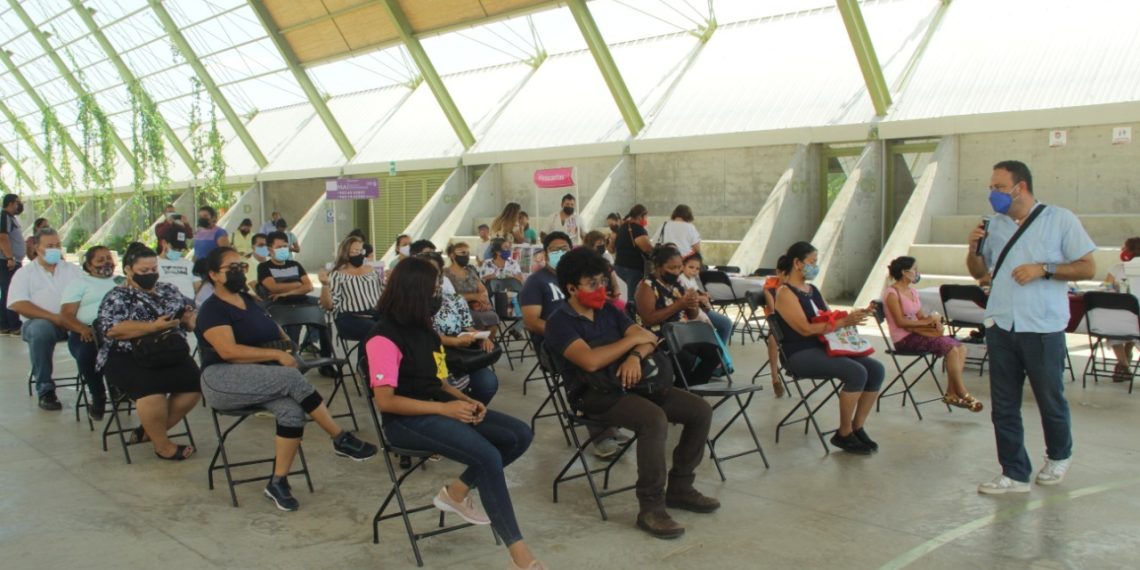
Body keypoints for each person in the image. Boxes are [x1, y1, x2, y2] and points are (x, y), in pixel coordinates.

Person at [365, 256, 542, 570]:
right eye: (434, 291)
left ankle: (456, 492)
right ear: (414, 293)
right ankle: (520, 554)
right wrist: (445, 408)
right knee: (487, 456)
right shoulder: (382, 337)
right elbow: (386, 402)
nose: (439, 297)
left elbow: (441, 382)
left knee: (518, 435)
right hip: (405, 421)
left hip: (438, 407)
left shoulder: (426, 330)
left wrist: (467, 401)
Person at [545, 247, 717, 539]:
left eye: (602, 281)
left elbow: (648, 338)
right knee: (653, 419)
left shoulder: (608, 310)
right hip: (593, 393)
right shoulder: (559, 322)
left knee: (700, 410)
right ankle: (651, 507)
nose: (601, 288)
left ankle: (681, 487)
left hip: (633, 381)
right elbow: (590, 361)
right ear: (571, 288)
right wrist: (630, 345)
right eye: (592, 283)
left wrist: (635, 357)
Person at [197, 247, 377, 509]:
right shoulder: (212, 309)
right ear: (214, 274)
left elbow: (273, 327)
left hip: (260, 376)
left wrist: (287, 346)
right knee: (290, 378)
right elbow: (228, 351)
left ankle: (278, 482)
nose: (239, 272)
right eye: (231, 268)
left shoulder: (248, 300)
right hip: (222, 379)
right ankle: (340, 438)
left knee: (292, 411)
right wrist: (275, 355)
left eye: (241, 267)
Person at [966, 160, 1096, 494]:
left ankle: (1059, 455)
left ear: (1019, 187)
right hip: (1001, 324)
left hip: (1041, 327)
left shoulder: (1059, 219)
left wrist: (1044, 269)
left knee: (1049, 398)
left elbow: (1087, 267)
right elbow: (979, 273)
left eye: (999, 187)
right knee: (1004, 405)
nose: (993, 194)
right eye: (990, 188)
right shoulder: (992, 224)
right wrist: (973, 249)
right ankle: (1014, 472)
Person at [773, 241, 884, 455]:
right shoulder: (785, 293)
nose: (815, 266)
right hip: (799, 353)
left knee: (876, 369)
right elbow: (805, 329)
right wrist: (843, 322)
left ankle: (857, 427)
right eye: (812, 262)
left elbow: (829, 318)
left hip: (823, 346)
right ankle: (844, 433)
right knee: (856, 372)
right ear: (797, 263)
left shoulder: (812, 290)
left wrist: (854, 315)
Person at [95, 243, 202, 460]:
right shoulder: (117, 296)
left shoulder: (168, 290)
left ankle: (148, 432)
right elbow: (112, 329)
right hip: (128, 354)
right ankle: (162, 445)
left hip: (169, 350)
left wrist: (188, 320)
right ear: (128, 270)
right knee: (152, 391)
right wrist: (153, 327)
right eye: (144, 271)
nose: (150, 274)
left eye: (153, 269)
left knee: (194, 385)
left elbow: (188, 319)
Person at [881, 256, 978, 411]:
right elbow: (900, 322)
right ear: (905, 272)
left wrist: (933, 321)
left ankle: (951, 393)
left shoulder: (912, 292)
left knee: (962, 348)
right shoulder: (892, 293)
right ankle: (961, 391)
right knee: (952, 349)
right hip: (904, 339)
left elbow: (920, 316)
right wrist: (926, 322)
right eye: (914, 269)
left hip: (918, 333)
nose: (916, 272)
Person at [7, 228, 84, 410]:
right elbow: (18, 303)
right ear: (36, 247)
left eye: (57, 245)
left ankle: (108, 386)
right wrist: (54, 318)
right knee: (40, 330)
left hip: (74, 323)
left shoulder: (73, 270)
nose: (55, 249)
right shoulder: (25, 273)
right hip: (41, 324)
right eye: (49, 246)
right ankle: (45, 389)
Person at [420, 252, 499, 405]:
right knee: (445, 391)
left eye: (435, 273)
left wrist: (480, 337)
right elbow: (421, 336)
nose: (432, 279)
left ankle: (471, 410)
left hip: (459, 356)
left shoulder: (454, 300)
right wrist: (453, 341)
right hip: (429, 359)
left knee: (487, 383)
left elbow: (467, 326)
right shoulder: (411, 303)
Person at [635, 246, 721, 387]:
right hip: (659, 337)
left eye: (679, 267)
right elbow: (648, 319)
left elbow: (692, 315)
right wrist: (678, 305)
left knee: (714, 353)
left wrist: (693, 304)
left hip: (682, 333)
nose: (676, 272)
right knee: (684, 357)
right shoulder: (646, 286)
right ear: (658, 266)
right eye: (671, 268)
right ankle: (683, 389)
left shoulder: (677, 284)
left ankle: (693, 387)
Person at [257, 231, 335, 375]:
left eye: (285, 246)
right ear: (269, 249)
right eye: (279, 247)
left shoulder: (295, 264)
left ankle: (326, 363)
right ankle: (293, 363)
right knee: (293, 325)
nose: (283, 249)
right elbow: (273, 287)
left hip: (300, 300)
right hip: (279, 305)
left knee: (324, 317)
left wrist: (287, 292)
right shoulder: (264, 267)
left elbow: (309, 287)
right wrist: (297, 284)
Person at [60, 246, 118, 420]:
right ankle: (98, 394)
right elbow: (66, 315)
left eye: (108, 258)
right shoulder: (79, 284)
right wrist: (82, 329)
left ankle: (121, 386)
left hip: (118, 331)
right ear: (89, 266)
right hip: (87, 333)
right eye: (100, 260)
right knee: (88, 352)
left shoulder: (121, 281)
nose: (106, 262)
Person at [318, 235, 383, 342]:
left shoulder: (372, 271)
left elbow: (383, 293)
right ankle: (367, 353)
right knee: (377, 331)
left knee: (395, 326)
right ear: (345, 254)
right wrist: (325, 285)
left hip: (375, 313)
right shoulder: (337, 275)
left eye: (361, 251)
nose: (360, 254)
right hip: (350, 317)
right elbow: (329, 306)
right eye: (355, 251)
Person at [1104, 237, 1140, 381]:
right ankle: (1124, 362)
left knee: (1117, 329)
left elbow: (1106, 288)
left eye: (1124, 248)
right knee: (1119, 328)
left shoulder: (1121, 268)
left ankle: (1123, 362)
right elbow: (1107, 287)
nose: (1121, 250)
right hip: (1126, 317)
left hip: (1126, 319)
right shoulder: (1117, 268)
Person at [678, 253, 733, 344]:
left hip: (700, 309)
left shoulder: (691, 278)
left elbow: (695, 290)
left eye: (697, 269)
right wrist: (700, 298)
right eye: (691, 267)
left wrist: (703, 294)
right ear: (683, 267)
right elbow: (684, 296)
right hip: (692, 312)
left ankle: (717, 348)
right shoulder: (681, 279)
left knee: (726, 324)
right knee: (726, 324)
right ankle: (718, 349)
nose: (694, 271)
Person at [444, 242, 499, 329]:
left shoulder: (470, 271)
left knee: (493, 319)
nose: (466, 256)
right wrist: (474, 297)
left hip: (477, 306)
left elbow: (483, 290)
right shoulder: (446, 273)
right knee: (482, 318)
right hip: (458, 309)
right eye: (463, 253)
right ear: (452, 255)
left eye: (468, 253)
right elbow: (450, 296)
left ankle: (482, 338)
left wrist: (483, 301)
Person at [613, 205, 654, 307]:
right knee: (633, 298)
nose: (646, 219)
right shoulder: (638, 229)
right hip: (632, 268)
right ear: (640, 217)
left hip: (619, 266)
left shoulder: (623, 227)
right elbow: (647, 248)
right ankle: (631, 315)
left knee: (628, 295)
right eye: (646, 217)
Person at [0, 193, 26, 335]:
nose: (19, 205)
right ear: (10, 203)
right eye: (17, 202)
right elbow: (2, 237)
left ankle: (5, 325)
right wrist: (10, 257)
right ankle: (13, 325)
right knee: (11, 292)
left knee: (7, 292)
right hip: (7, 261)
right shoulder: (4, 216)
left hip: (11, 260)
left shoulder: (10, 218)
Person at [760, 268, 787, 397]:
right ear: (778, 272)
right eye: (785, 273)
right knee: (772, 340)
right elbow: (774, 310)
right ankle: (775, 378)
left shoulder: (798, 286)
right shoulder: (770, 287)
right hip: (777, 321)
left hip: (796, 321)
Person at [157, 227, 200, 300]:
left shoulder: (189, 264)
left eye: (180, 249)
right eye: (174, 248)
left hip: (189, 303)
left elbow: (198, 287)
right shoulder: (154, 263)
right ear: (164, 243)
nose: (177, 251)